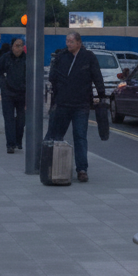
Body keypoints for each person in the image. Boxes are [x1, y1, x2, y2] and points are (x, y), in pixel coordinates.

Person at [46, 31, 107, 183]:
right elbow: (53, 77)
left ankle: (82, 169)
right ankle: (55, 166)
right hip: (63, 103)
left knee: (80, 136)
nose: (68, 44)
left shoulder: (88, 57)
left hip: (81, 104)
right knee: (58, 136)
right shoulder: (61, 56)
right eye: (67, 41)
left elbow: (97, 76)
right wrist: (58, 93)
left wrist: (101, 95)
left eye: (71, 42)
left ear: (79, 43)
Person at [0, 37, 27, 154]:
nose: (19, 48)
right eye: (17, 45)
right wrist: (3, 85)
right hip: (8, 93)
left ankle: (18, 141)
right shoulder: (6, 58)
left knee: (21, 120)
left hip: (22, 94)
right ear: (12, 46)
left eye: (21, 45)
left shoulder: (26, 59)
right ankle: (10, 144)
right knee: (9, 119)